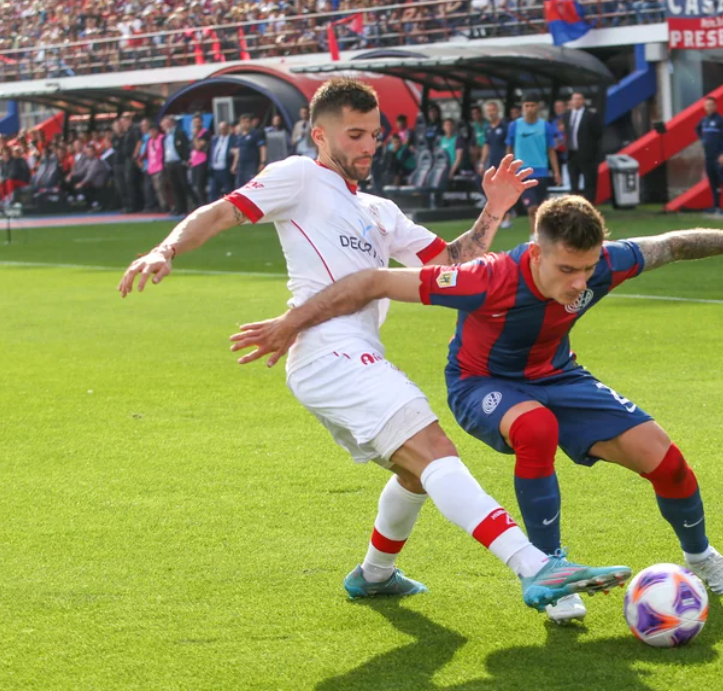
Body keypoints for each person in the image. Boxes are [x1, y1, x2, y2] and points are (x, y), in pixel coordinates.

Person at [118, 78, 630, 611]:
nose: (368, 146)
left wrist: (495, 209)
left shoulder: (380, 210)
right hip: (327, 350)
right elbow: (222, 211)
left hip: (347, 356)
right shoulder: (299, 176)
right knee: (434, 451)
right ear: (319, 135)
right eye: (355, 134)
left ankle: (375, 574)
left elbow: (451, 264)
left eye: (375, 135)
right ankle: (535, 567)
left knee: (415, 470)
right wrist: (166, 250)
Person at [231, 196, 723, 624]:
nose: (580, 282)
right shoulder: (484, 279)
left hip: (559, 375)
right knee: (536, 427)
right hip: (480, 385)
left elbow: (675, 244)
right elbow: (373, 280)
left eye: (588, 268)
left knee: (666, 459)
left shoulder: (606, 264)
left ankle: (701, 556)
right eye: (566, 270)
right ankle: (552, 570)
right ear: (536, 253)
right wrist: (291, 323)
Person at [507, 96, 560, 234]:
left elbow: (551, 150)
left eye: (532, 105)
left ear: (538, 107)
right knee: (531, 208)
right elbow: (509, 149)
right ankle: (533, 236)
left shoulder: (545, 126)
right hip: (522, 172)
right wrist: (508, 168)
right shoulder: (514, 126)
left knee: (541, 209)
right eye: (527, 105)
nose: (529, 109)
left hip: (541, 171)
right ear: (523, 108)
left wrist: (556, 172)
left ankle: (541, 236)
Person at [561, 92, 602, 203]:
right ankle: (574, 206)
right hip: (571, 154)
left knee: (589, 182)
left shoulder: (591, 115)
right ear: (571, 101)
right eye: (575, 99)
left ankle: (589, 205)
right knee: (573, 183)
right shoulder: (567, 115)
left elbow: (598, 134)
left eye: (579, 99)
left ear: (583, 101)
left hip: (587, 155)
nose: (577, 101)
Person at [696, 96, 723, 214]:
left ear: (715, 106)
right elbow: (697, 129)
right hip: (709, 156)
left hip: (719, 155)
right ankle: (716, 205)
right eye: (707, 105)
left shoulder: (721, 120)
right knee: (713, 182)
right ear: (704, 107)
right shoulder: (704, 120)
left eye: (711, 105)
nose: (709, 107)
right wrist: (703, 139)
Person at [481, 101, 513, 229]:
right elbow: (486, 145)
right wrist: (482, 162)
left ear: (498, 110)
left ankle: (508, 217)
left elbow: (509, 145)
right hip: (492, 164)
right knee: (495, 192)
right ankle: (499, 217)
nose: (491, 113)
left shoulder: (505, 126)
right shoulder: (488, 128)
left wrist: (508, 161)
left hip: (503, 163)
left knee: (505, 190)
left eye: (493, 110)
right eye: (488, 111)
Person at [160, 115, 193, 215]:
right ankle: (179, 208)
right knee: (174, 187)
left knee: (184, 184)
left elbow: (186, 147)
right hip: (169, 163)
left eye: (166, 123)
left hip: (179, 162)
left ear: (171, 123)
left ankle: (190, 206)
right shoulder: (165, 137)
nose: (164, 125)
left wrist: (186, 160)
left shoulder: (180, 133)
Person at [66, 144, 111, 210]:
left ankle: (94, 204)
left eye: (90, 151)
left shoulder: (96, 161)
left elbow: (90, 176)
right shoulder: (88, 161)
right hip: (91, 181)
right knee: (73, 179)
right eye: (87, 152)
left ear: (94, 152)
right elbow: (81, 171)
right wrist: (71, 175)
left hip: (98, 183)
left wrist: (82, 183)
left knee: (82, 186)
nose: (88, 153)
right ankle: (75, 198)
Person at [233, 114, 267, 188]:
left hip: (252, 164)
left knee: (251, 185)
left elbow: (262, 148)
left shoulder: (256, 134)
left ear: (251, 123)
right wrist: (234, 164)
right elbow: (238, 151)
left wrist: (263, 162)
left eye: (247, 122)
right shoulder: (239, 136)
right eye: (243, 122)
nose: (245, 124)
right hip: (241, 165)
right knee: (240, 186)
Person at [209, 121, 237, 201]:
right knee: (213, 192)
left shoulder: (233, 139)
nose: (222, 131)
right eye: (220, 129)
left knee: (229, 190)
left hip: (226, 169)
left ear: (228, 128)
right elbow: (212, 152)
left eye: (224, 128)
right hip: (215, 169)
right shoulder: (215, 139)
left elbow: (236, 152)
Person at [189, 115, 211, 207]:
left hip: (202, 162)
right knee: (194, 185)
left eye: (198, 122)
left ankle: (203, 205)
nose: (196, 124)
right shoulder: (194, 134)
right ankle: (197, 204)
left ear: (202, 122)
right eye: (195, 122)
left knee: (200, 186)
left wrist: (195, 136)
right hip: (194, 162)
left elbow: (198, 147)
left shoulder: (205, 133)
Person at [439, 118, 467, 182]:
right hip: (442, 168)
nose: (449, 127)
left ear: (453, 127)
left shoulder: (458, 139)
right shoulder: (441, 140)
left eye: (450, 125)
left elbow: (459, 158)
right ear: (443, 127)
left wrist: (451, 171)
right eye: (447, 125)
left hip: (453, 168)